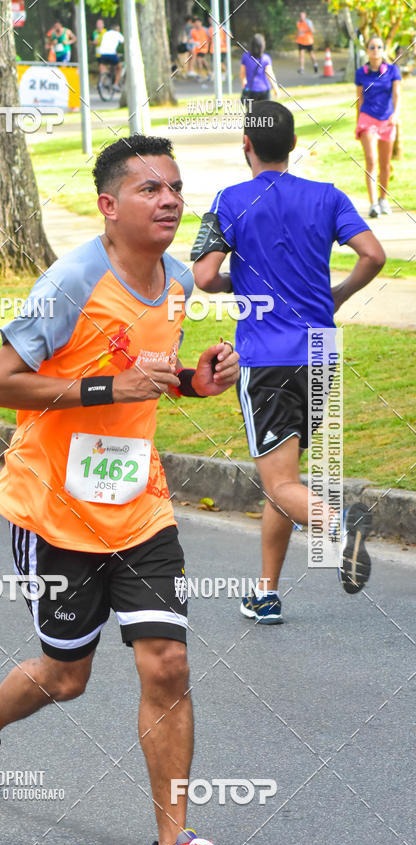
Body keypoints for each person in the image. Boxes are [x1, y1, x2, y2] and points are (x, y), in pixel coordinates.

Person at [0, 134, 242, 845]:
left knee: (167, 662)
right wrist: (107, 389)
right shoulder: (71, 281)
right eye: (150, 189)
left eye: (176, 187)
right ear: (109, 206)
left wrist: (193, 382)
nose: (170, 200)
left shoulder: (177, 281)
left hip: (139, 506)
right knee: (65, 675)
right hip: (56, 510)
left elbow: (147, 373)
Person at [192, 102, 385, 624]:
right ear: (293, 144)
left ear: (246, 146)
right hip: (320, 356)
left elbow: (204, 277)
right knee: (283, 480)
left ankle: (341, 528)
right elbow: (374, 255)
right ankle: (266, 593)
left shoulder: (230, 200)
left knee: (280, 483)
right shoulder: (328, 196)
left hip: (266, 362)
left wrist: (238, 284)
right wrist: (339, 294)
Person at [355, 36, 402, 218]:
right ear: (367, 50)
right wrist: (358, 122)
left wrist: (396, 114)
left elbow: (397, 94)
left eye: (379, 47)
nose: (376, 50)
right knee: (371, 160)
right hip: (367, 119)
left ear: (383, 50)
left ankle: (383, 199)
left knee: (385, 164)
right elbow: (359, 99)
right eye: (372, 47)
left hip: (387, 121)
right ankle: (373, 204)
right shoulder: (361, 73)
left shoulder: (392, 71)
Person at [240, 34, 279, 103]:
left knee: (251, 109)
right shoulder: (266, 58)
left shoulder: (245, 57)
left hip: (251, 89)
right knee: (264, 109)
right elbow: (269, 74)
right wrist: (276, 89)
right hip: (265, 89)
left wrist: (243, 81)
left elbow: (242, 72)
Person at [98, 23, 124, 91]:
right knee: (119, 68)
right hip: (111, 54)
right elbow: (123, 41)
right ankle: (115, 84)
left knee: (103, 67)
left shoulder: (106, 33)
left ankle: (101, 82)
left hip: (102, 54)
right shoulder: (117, 34)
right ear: (117, 29)